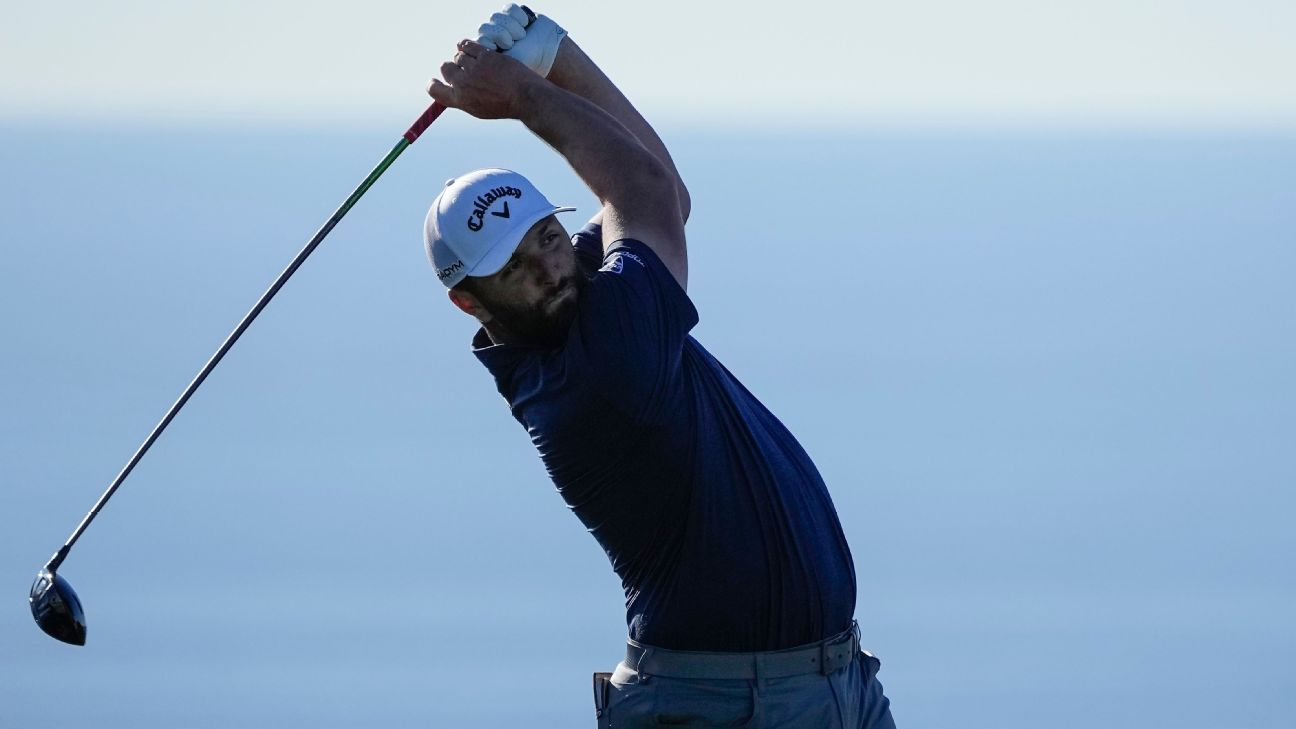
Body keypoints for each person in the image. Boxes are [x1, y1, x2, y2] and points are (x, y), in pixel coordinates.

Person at [424, 6, 897, 727]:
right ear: (469, 302)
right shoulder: (595, 374)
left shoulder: (585, 304)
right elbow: (641, 193)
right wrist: (521, 94)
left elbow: (662, 192)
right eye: (513, 267)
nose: (548, 267)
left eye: (549, 236)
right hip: (722, 706)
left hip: (827, 686)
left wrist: (556, 59)